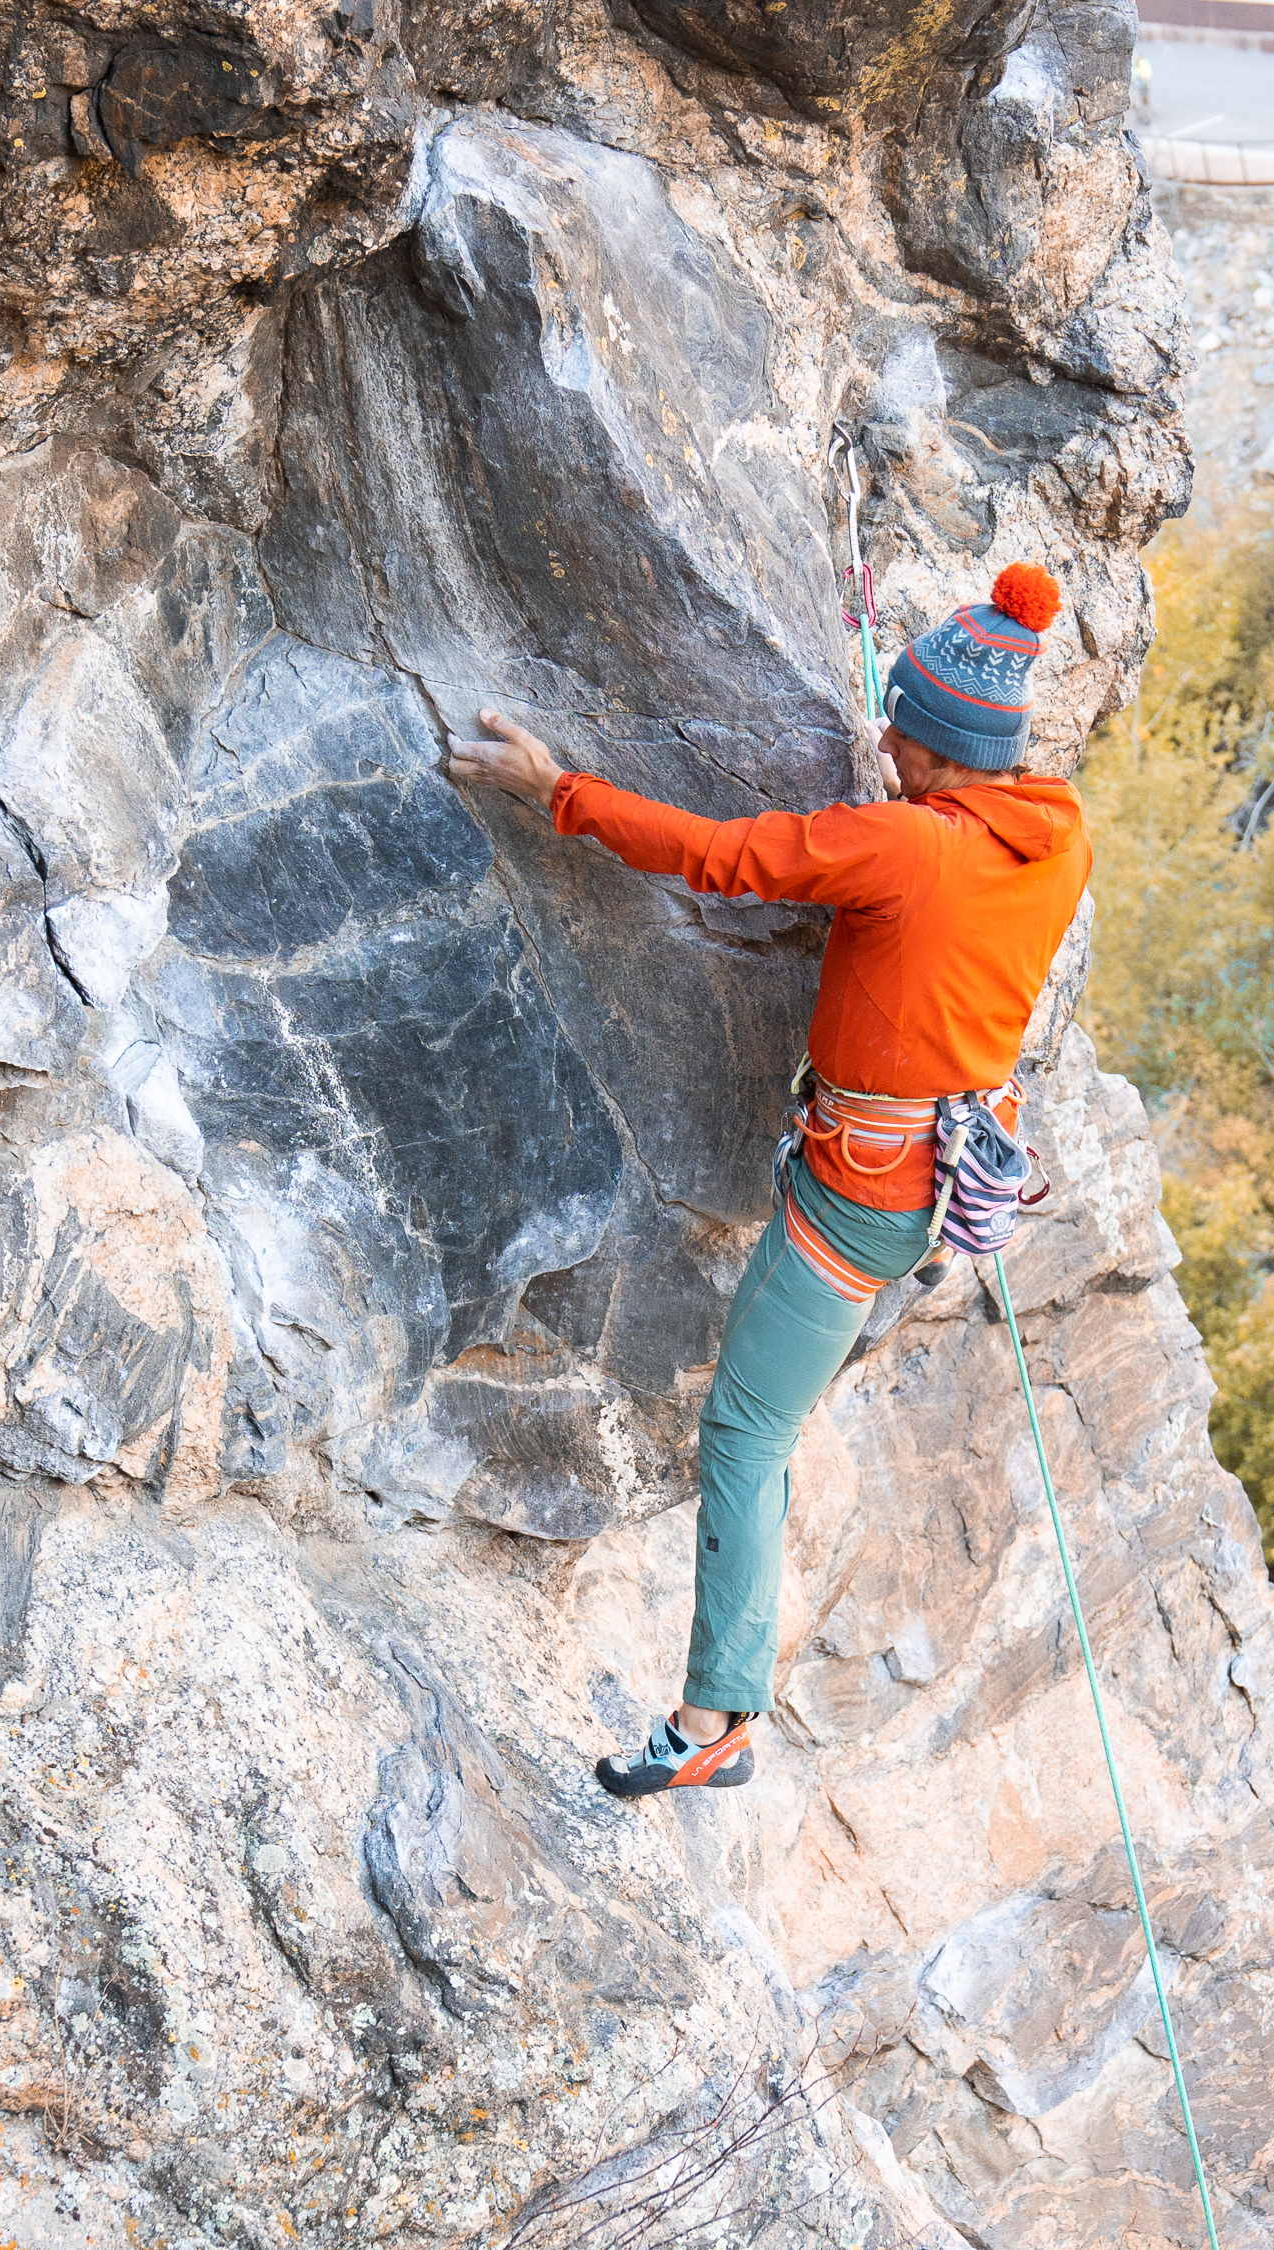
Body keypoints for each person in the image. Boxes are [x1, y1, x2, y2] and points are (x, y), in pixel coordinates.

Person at [443, 564, 1090, 1799]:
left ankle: (716, 1719)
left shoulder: (903, 846)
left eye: (899, 724)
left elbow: (723, 856)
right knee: (759, 1417)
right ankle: (720, 1710)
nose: (882, 735)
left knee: (745, 1435)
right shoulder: (1054, 838)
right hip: (922, 1164)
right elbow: (923, 852)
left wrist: (556, 792)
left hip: (864, 1191)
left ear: (939, 747)